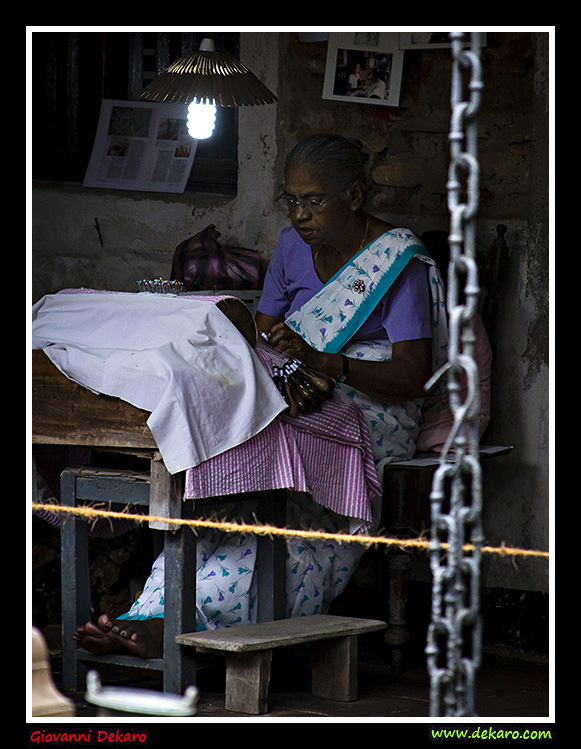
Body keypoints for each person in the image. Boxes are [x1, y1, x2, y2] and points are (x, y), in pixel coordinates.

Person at [73, 133, 448, 658]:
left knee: (297, 523)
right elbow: (261, 333)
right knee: (229, 501)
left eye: (315, 201)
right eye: (291, 200)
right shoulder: (294, 247)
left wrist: (324, 362)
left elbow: (412, 376)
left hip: (372, 411)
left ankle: (200, 629)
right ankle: (153, 613)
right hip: (297, 389)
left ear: (356, 196)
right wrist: (283, 356)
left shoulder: (398, 262)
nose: (300, 215)